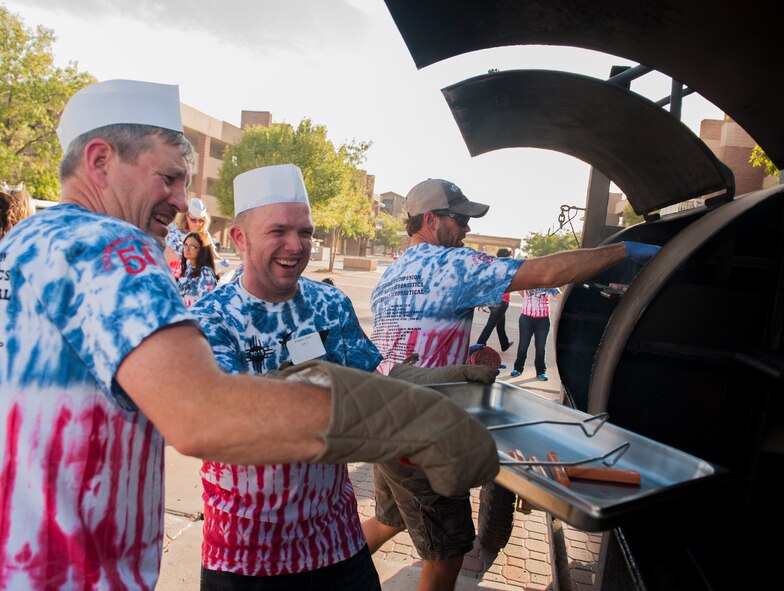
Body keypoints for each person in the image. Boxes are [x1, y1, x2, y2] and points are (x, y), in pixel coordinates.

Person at [0, 81, 499, 590]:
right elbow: (205, 416)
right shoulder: (110, 247)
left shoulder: (24, 242)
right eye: (168, 177)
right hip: (235, 557)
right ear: (101, 160)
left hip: (327, 542)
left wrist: (438, 383)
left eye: (304, 232)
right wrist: (417, 422)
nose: (182, 201)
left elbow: (370, 372)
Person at [366, 178, 660, 591]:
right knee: (448, 553)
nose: (466, 229)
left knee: (388, 519)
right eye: (459, 218)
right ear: (430, 220)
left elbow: (403, 337)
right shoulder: (451, 264)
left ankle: (333, 576)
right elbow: (546, 270)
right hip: (420, 433)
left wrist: (457, 353)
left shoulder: (392, 271)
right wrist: (622, 252)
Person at [190, 164, 383, 590]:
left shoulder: (329, 302)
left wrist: (429, 394)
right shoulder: (210, 319)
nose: (296, 246)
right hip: (244, 554)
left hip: (337, 541)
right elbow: (228, 426)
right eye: (278, 231)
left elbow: (375, 390)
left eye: (306, 232)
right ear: (239, 238)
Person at [165, 196, 229, 276]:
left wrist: (222, 261)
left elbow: (214, 255)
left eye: (201, 220)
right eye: (193, 220)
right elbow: (166, 256)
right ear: (186, 216)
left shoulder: (204, 234)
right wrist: (186, 257)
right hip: (180, 276)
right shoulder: (176, 232)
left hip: (199, 276)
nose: (198, 224)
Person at [510, 287, 561, 381]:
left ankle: (541, 371)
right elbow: (521, 293)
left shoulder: (550, 282)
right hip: (526, 318)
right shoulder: (528, 280)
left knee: (541, 347)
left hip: (543, 320)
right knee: (523, 345)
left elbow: (560, 297)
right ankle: (518, 368)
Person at [475, 247, 514, 351]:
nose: (512, 257)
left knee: (500, 323)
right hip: (502, 301)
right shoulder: (509, 266)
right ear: (507, 256)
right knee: (490, 325)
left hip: (492, 300)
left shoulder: (492, 266)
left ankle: (504, 344)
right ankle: (478, 346)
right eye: (510, 255)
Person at [178, 231, 218, 306]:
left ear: (203, 250)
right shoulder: (189, 267)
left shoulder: (205, 272)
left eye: (193, 246)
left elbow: (206, 303)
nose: (187, 249)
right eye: (186, 245)